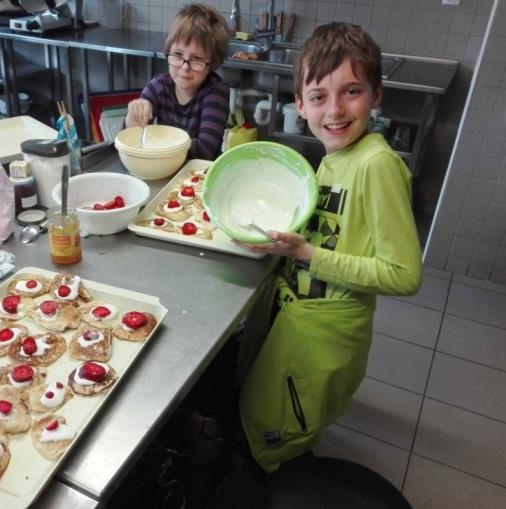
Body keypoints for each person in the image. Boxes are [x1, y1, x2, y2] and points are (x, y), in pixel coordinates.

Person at [236, 22, 423, 474]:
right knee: (268, 405)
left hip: (326, 331)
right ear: (299, 105)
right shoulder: (335, 159)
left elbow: (404, 274)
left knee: (287, 421)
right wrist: (284, 246)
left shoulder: (376, 164)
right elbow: (327, 231)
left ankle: (279, 487)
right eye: (319, 97)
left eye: (352, 92)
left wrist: (306, 255)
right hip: (299, 317)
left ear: (377, 95)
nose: (335, 110)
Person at [124, 3, 230, 161]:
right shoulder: (158, 86)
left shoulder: (216, 92)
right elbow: (132, 141)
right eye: (178, 55)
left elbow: (204, 150)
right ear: (168, 51)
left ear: (212, 63)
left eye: (197, 59)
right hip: (165, 169)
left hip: (199, 175)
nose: (185, 67)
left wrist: (156, 148)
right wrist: (132, 120)